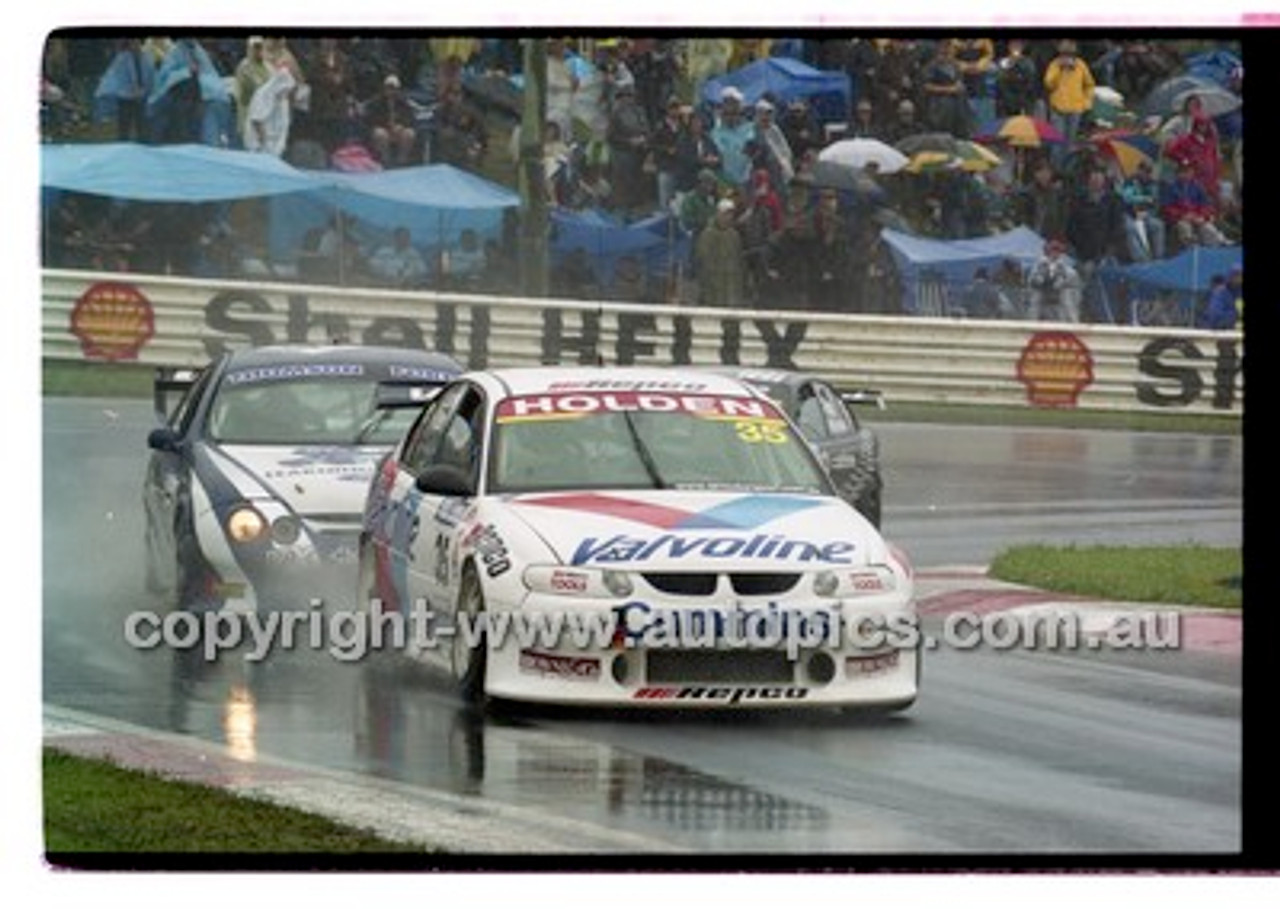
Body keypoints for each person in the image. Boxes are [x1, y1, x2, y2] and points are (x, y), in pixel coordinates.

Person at [1043, 39, 1095, 166]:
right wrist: (1060, 69)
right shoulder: (1054, 65)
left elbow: (1090, 84)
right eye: (1064, 54)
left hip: (1076, 109)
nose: (1067, 57)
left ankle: (1067, 171)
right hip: (1058, 109)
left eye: (1069, 54)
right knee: (1057, 142)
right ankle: (1055, 170)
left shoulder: (1081, 65)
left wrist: (1087, 102)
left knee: (1070, 144)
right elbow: (1048, 84)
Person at [94, 38, 154, 142]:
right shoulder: (121, 59)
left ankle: (143, 147)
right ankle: (123, 147)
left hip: (142, 97)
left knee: (142, 126)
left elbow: (150, 76)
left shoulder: (147, 57)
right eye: (133, 42)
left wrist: (144, 90)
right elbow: (118, 78)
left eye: (137, 42)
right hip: (125, 98)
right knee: (124, 127)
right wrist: (131, 91)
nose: (135, 45)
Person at [1160, 160, 1230, 249]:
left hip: (1196, 217)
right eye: (1183, 171)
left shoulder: (1197, 186)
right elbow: (1167, 207)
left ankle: (1216, 247)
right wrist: (1182, 215)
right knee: (1185, 227)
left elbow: (1205, 204)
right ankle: (1191, 250)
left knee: (1208, 228)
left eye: (1188, 171)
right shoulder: (1171, 186)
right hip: (1180, 219)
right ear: (1178, 173)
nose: (1186, 174)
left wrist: (1202, 216)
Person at [694, 198, 745, 308]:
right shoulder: (707, 235)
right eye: (725, 214)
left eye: (731, 214)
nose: (728, 217)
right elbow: (702, 260)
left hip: (731, 287)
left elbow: (739, 260)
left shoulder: (734, 235)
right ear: (718, 214)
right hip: (712, 287)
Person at [243, 63, 298, 157]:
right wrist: (264, 144)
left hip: (275, 144)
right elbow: (257, 120)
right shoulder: (263, 94)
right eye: (284, 90)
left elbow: (284, 122)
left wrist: (280, 145)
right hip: (261, 144)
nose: (286, 93)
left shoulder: (283, 100)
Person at [366, 74, 419, 167]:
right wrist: (386, 125)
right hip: (384, 130)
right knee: (380, 133)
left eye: (393, 88)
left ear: (398, 89)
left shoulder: (404, 102)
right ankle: (386, 161)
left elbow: (411, 118)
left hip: (399, 131)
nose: (391, 90)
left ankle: (401, 161)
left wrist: (401, 125)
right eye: (388, 87)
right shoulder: (376, 102)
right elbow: (371, 119)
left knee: (410, 133)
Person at [1118, 161, 1166, 261]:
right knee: (1130, 228)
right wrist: (1144, 199)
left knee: (1158, 225)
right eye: (1144, 170)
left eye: (1149, 171)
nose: (1146, 174)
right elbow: (1127, 198)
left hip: (1145, 214)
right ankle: (1141, 259)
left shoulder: (1152, 183)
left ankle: (1159, 258)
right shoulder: (1130, 181)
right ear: (1139, 170)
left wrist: (1149, 213)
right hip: (1129, 213)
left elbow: (1155, 202)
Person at [710, 86, 755, 189]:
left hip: (747, 182)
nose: (731, 116)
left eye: (735, 113)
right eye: (727, 113)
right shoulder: (715, 132)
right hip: (723, 183)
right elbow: (718, 154)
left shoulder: (750, 129)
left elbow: (752, 151)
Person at [1026, 238, 1081, 322]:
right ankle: (1032, 321)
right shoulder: (1038, 267)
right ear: (1047, 252)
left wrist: (1063, 282)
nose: (1054, 253)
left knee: (1067, 295)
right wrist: (1039, 280)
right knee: (1036, 297)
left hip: (1060, 304)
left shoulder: (1068, 270)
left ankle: (1072, 323)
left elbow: (1075, 290)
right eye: (1052, 250)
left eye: (1057, 250)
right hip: (1042, 302)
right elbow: (1031, 282)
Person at [994, 38, 1039, 118]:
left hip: (1024, 103)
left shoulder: (1028, 63)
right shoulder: (1003, 62)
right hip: (1006, 104)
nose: (1015, 48)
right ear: (1008, 47)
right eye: (1013, 45)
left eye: (1018, 45)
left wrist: (1019, 64)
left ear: (1022, 47)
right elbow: (1000, 82)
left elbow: (1031, 83)